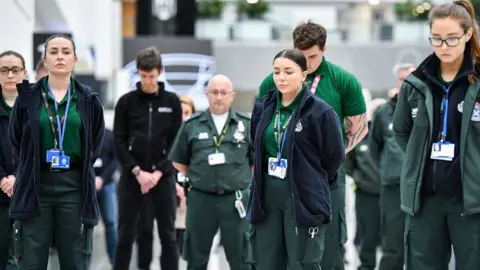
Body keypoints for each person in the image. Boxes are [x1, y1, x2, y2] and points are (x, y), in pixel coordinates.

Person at [257, 22, 367, 270]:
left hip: (326, 177)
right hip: (280, 176)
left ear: (324, 48)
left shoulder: (343, 80)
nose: (304, 62)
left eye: (312, 57)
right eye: (300, 55)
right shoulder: (273, 82)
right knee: (280, 246)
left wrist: (319, 165)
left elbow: (358, 127)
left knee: (326, 245)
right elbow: (260, 126)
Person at [392, 1, 480, 269]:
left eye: (452, 39)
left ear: (467, 34)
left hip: (472, 202)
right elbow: (401, 130)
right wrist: (418, 160)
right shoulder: (415, 83)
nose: (444, 47)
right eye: (437, 39)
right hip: (425, 201)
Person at [8, 34, 105, 269]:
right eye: (53, 52)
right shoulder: (27, 98)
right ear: (45, 59)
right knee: (31, 260)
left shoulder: (88, 99)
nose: (59, 56)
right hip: (35, 185)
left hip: (73, 188)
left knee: (75, 260)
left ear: (74, 59)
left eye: (65, 51)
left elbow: (94, 143)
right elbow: (16, 139)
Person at [248, 49, 345, 270]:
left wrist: (312, 179)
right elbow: (255, 144)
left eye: (288, 72)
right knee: (267, 261)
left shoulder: (320, 112)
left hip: (302, 194)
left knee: (301, 262)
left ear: (304, 74)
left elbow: (334, 156)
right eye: (276, 72)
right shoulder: (264, 107)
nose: (281, 77)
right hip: (267, 193)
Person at [168, 74, 253, 270]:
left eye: (224, 92)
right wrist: (200, 176)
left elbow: (254, 163)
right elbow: (179, 161)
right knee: (196, 259)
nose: (219, 97)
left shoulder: (245, 124)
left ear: (232, 96)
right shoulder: (192, 125)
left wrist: (236, 178)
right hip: (201, 200)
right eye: (214, 92)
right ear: (207, 94)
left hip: (235, 200)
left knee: (242, 259)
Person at [113, 46, 182, 270]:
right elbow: (119, 142)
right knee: (125, 235)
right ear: (138, 72)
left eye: (151, 76)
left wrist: (158, 173)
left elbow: (175, 143)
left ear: (160, 72)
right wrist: (137, 172)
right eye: (143, 76)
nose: (148, 81)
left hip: (163, 178)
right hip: (132, 178)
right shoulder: (126, 102)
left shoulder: (171, 102)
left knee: (168, 236)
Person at [369, 63, 415, 270]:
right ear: (396, 82)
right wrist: (388, 170)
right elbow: (374, 148)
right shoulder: (383, 112)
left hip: (423, 188)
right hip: (393, 186)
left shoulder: (427, 108)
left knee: (423, 244)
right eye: (402, 79)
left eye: (411, 79)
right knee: (393, 243)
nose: (406, 83)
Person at [345, 94, 385, 270]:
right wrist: (360, 180)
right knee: (367, 236)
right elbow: (348, 163)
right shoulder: (361, 136)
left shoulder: (392, 135)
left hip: (391, 193)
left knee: (391, 238)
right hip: (365, 193)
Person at [0, 50, 27, 270]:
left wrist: (18, 177)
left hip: (27, 194)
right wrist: (3, 179)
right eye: (4, 70)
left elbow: (40, 148)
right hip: (0, 194)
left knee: (22, 259)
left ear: (24, 73)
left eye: (15, 70)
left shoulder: (36, 107)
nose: (10, 75)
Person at [94, 128, 118, 267]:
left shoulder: (109, 135)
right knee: (86, 225)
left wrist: (102, 179)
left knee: (112, 223)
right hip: (87, 187)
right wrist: (92, 179)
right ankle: (85, 263)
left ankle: (115, 261)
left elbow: (115, 161)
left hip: (107, 185)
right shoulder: (83, 132)